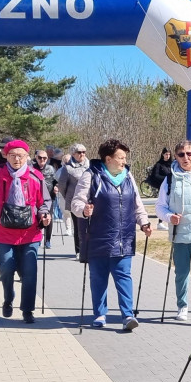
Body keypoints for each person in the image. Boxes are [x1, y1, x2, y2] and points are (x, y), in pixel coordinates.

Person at [71, 139, 151, 332]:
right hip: (98, 237)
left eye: (125, 157)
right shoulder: (91, 176)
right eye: (120, 158)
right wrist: (84, 210)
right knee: (98, 278)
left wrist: (145, 222)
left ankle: (128, 315)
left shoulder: (128, 177)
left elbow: (137, 204)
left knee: (123, 276)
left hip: (124, 239)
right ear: (108, 159)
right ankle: (99, 313)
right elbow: (76, 203)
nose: (124, 161)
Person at [0, 140, 52, 324]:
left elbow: (45, 202)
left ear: (27, 157)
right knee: (6, 269)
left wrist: (45, 214)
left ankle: (28, 310)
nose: (17, 159)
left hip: (31, 233)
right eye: (12, 155)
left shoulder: (36, 176)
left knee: (29, 272)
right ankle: (8, 298)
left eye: (21, 155)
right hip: (4, 232)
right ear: (6, 156)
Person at [155, 139, 191, 327]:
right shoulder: (170, 178)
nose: (185, 158)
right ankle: (182, 306)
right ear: (176, 157)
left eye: (189, 154)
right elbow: (160, 207)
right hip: (180, 234)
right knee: (181, 273)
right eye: (181, 154)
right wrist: (169, 216)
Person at [56, 143, 90, 255]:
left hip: (90, 201)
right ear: (73, 154)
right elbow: (61, 185)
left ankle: (89, 249)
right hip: (75, 201)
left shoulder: (90, 166)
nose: (82, 154)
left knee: (90, 227)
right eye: (79, 152)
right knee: (78, 227)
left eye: (84, 152)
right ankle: (79, 250)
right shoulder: (68, 168)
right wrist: (68, 197)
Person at [32, 149, 57, 249]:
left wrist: (56, 187)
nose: (42, 159)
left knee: (48, 219)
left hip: (48, 198)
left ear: (47, 159)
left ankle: (47, 240)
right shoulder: (31, 168)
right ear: (36, 158)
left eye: (44, 158)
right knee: (35, 219)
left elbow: (55, 181)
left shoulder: (50, 169)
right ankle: (36, 239)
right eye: (40, 157)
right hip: (34, 198)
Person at [147, 148, 173, 229]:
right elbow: (155, 176)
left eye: (169, 154)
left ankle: (169, 220)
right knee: (163, 204)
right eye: (166, 154)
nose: (167, 156)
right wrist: (166, 178)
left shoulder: (172, 164)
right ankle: (160, 223)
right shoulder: (159, 164)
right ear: (162, 155)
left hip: (171, 186)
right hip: (162, 186)